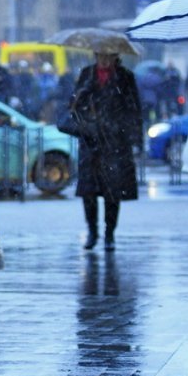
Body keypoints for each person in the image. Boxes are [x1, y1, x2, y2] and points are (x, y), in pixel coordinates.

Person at [70, 52, 142, 251]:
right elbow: (73, 104)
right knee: (89, 191)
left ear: (115, 56)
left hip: (115, 142)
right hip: (90, 140)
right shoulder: (87, 74)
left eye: (108, 56)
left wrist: (134, 138)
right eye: (100, 55)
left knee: (113, 191)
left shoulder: (124, 76)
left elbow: (134, 108)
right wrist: (84, 93)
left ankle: (110, 234)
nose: (104, 59)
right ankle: (92, 231)